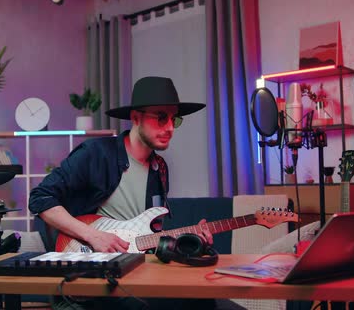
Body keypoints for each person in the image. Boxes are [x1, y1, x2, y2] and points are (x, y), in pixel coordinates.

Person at [29, 76, 223, 309]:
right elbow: (40, 198)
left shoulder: (159, 168)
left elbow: (150, 237)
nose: (170, 127)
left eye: (174, 119)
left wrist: (193, 242)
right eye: (161, 117)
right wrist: (93, 236)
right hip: (92, 272)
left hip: (138, 269)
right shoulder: (96, 153)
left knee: (202, 299)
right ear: (135, 118)